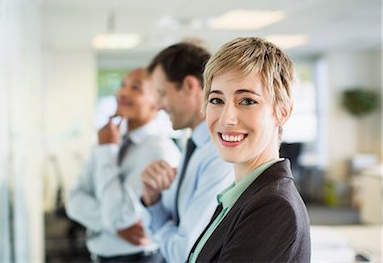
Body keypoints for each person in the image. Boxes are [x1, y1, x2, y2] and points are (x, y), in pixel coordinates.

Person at [187, 37, 311, 262]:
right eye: (216, 100)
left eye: (246, 101)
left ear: (282, 112)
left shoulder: (273, 206)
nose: (226, 118)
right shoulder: (239, 196)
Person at [66, 68, 181, 263]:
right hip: (98, 257)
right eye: (122, 85)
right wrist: (113, 225)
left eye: (136, 88)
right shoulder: (109, 140)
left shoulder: (161, 152)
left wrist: (107, 152)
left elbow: (121, 217)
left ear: (158, 102)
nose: (122, 93)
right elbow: (74, 201)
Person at [140, 42, 234, 263]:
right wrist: (152, 200)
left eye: (162, 93)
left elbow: (186, 252)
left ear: (190, 86)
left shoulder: (219, 153)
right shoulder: (193, 145)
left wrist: (160, 225)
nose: (159, 105)